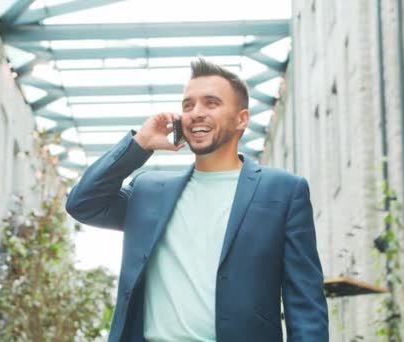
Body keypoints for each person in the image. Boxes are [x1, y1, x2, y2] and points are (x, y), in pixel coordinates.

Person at [66, 58, 328, 341]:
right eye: (188, 105)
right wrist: (139, 144)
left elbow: (305, 305)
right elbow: (83, 203)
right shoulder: (149, 192)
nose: (196, 113)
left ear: (242, 119)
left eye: (211, 103)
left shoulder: (283, 191)